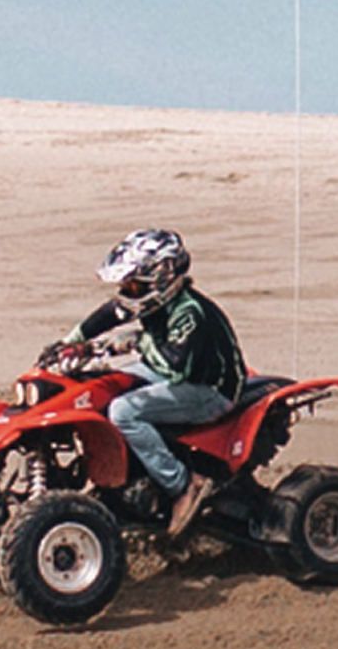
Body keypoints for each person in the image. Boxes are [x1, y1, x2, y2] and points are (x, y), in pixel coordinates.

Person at [68, 228, 248, 538]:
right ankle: (119, 476)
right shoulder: (150, 302)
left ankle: (182, 485)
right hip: (171, 373)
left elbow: (174, 364)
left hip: (209, 390)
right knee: (104, 385)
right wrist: (71, 343)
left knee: (125, 412)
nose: (129, 291)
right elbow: (112, 313)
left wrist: (129, 342)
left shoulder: (190, 312)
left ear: (162, 278)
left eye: (135, 284)